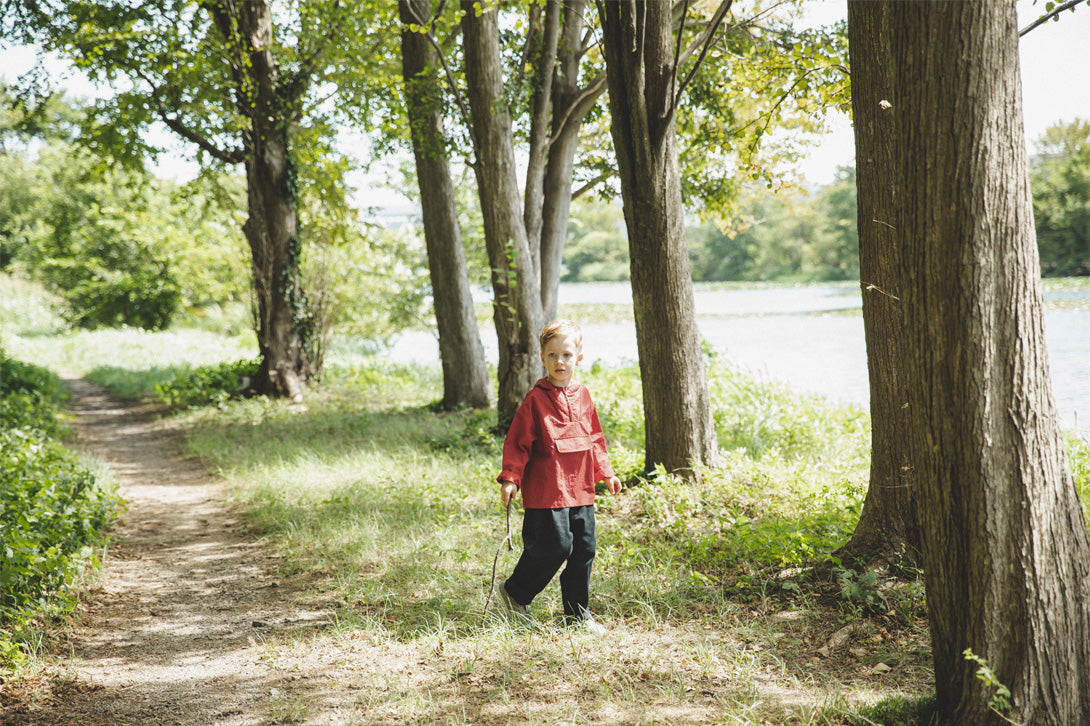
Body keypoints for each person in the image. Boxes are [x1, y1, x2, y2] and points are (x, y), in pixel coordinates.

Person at [497, 319, 623, 634]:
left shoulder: (584, 396)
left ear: (578, 358)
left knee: (584, 549)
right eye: (552, 355)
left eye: (566, 355)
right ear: (542, 358)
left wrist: (605, 472)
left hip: (581, 488)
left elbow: (594, 437)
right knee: (555, 547)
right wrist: (511, 477)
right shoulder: (535, 401)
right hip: (547, 490)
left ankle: (577, 615)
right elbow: (518, 443)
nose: (559, 361)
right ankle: (515, 593)